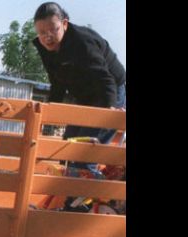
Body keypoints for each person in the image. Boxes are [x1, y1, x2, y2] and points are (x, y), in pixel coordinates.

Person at [32, 2, 126, 169]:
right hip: (85, 97)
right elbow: (57, 83)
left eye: (53, 29)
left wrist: (110, 108)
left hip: (109, 92)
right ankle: (69, 194)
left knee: (83, 156)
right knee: (66, 150)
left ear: (65, 24)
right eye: (42, 33)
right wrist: (48, 112)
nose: (48, 37)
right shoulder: (45, 48)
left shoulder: (82, 42)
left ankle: (94, 192)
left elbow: (105, 78)